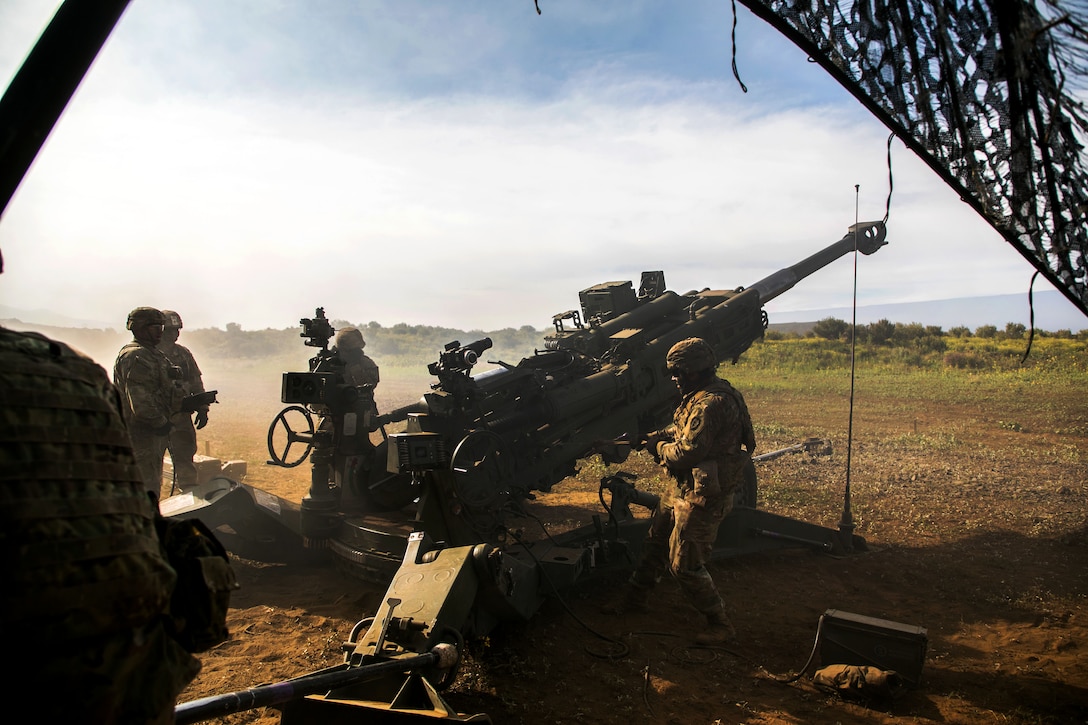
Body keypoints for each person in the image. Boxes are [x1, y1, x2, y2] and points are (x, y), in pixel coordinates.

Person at [0, 322, 202, 723]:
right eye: (158, 326)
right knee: (148, 485)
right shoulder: (71, 368)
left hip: (67, 648)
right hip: (126, 665)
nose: (165, 331)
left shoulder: (138, 360)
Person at [601, 337, 756, 645]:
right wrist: (650, 436)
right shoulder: (699, 396)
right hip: (682, 488)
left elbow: (687, 452)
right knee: (654, 544)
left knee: (684, 565)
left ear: (696, 371)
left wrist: (655, 447)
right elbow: (681, 428)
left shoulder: (711, 404)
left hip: (702, 496)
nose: (674, 379)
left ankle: (720, 623)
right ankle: (635, 599)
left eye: (678, 373)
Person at [114, 307, 183, 500]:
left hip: (151, 433)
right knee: (145, 487)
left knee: (152, 483)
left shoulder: (152, 353)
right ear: (140, 328)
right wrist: (160, 422)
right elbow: (140, 401)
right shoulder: (137, 356)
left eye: (161, 326)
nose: (160, 331)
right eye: (155, 326)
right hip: (142, 433)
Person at [159, 309, 210, 492]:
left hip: (180, 417)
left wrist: (203, 408)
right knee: (151, 462)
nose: (175, 334)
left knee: (185, 460)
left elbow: (196, 381)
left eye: (177, 330)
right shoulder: (147, 354)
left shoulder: (183, 354)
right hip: (154, 418)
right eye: (170, 330)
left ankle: (188, 498)